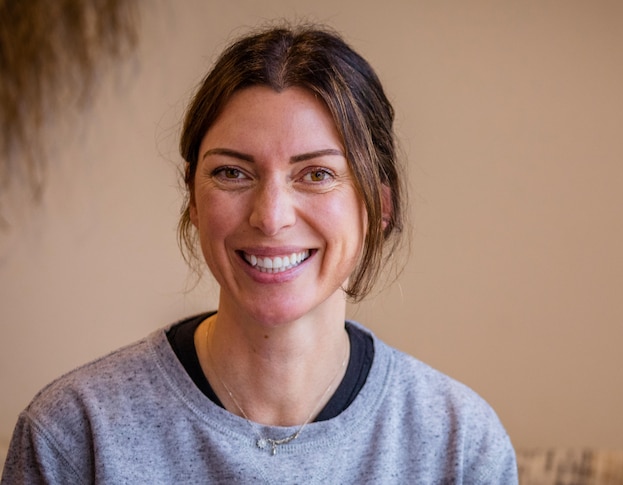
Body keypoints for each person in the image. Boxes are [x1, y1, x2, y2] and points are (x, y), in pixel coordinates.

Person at [1, 25, 517, 483]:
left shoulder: (459, 444)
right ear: (194, 199)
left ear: (378, 207)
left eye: (317, 174)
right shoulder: (74, 434)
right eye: (232, 172)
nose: (271, 217)